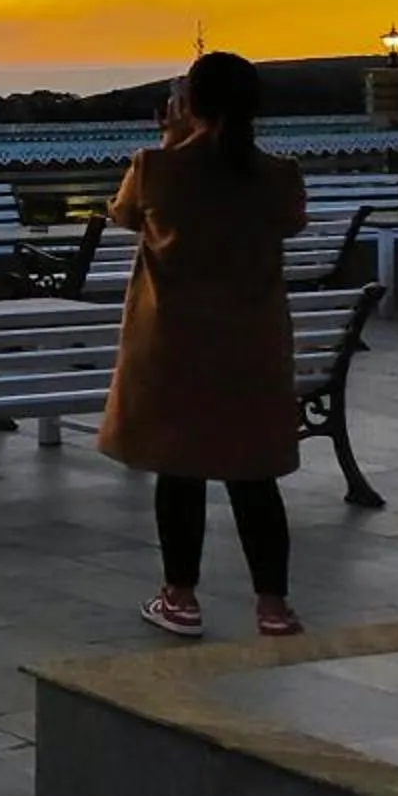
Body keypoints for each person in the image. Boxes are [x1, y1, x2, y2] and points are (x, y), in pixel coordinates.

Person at [97, 50, 308, 637]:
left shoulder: (156, 168)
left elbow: (124, 215)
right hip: (253, 346)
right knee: (253, 477)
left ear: (187, 103)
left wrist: (172, 142)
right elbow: (289, 223)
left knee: (179, 471)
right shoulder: (280, 176)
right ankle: (273, 606)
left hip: (175, 345)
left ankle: (180, 597)